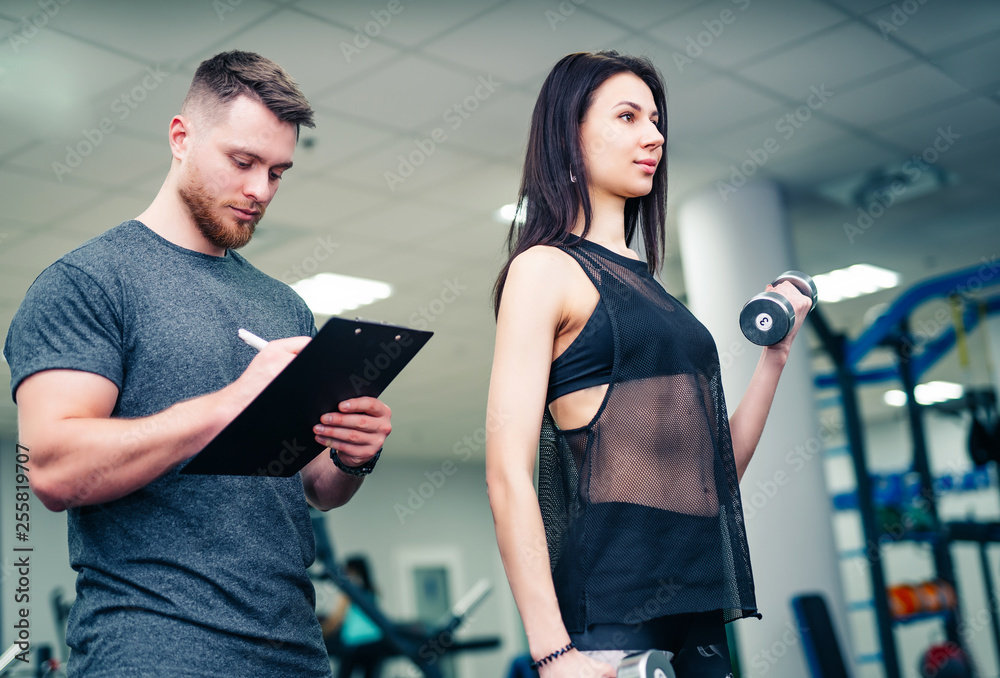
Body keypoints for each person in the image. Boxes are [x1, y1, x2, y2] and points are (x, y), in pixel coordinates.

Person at [4, 51, 392, 677]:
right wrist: (228, 402)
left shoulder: (284, 305)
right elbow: (51, 468)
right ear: (181, 137)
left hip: (293, 652)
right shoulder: (88, 283)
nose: (259, 190)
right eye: (242, 162)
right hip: (154, 650)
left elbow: (319, 488)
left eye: (277, 172)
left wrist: (352, 451)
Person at [485, 51, 812, 677]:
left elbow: (712, 479)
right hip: (610, 622)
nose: (653, 136)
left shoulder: (650, 286)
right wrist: (552, 652)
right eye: (628, 116)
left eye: (656, 120)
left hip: (695, 614)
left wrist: (775, 359)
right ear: (569, 135)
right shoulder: (545, 269)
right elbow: (507, 474)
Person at [320, 556, 389, 678]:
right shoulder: (374, 590)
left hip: (355, 644)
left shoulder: (349, 592)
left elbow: (336, 619)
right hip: (376, 643)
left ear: (352, 571)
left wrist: (320, 633)